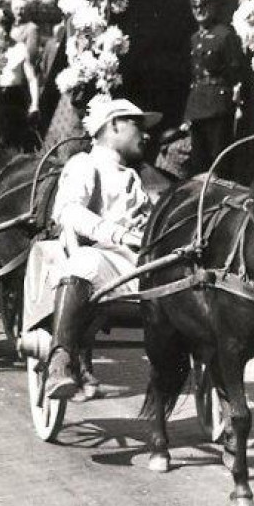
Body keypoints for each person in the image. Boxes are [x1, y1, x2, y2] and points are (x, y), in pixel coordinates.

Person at [41, 96, 161, 401]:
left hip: (142, 263)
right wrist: (119, 234)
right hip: (104, 262)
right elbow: (67, 211)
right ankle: (60, 359)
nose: (146, 134)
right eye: (138, 125)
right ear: (115, 125)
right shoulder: (85, 164)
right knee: (86, 261)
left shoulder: (137, 176)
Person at [183, 0, 244, 174]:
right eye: (194, 6)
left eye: (204, 4)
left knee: (219, 161)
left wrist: (236, 102)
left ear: (214, 5)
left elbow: (236, 72)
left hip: (218, 105)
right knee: (199, 161)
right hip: (198, 105)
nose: (199, 10)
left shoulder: (225, 36)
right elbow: (195, 74)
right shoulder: (195, 38)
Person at [0, 0, 41, 117]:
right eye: (16, 8)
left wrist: (34, 104)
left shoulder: (22, 44)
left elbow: (31, 75)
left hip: (17, 90)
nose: (19, 11)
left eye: (22, 8)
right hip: (0, 95)